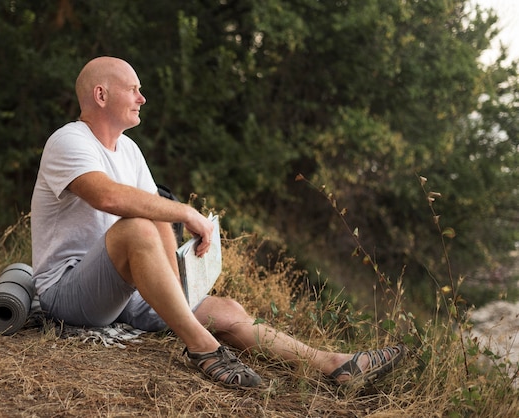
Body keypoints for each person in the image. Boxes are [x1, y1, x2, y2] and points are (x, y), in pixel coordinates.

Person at [31, 56, 405, 389]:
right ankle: (203, 348)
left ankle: (333, 365)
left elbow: (155, 210)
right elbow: (107, 196)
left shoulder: (128, 149)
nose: (142, 98)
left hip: (122, 292)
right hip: (67, 294)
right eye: (133, 90)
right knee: (137, 226)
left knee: (226, 309)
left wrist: (179, 282)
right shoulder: (68, 141)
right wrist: (186, 213)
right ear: (101, 95)